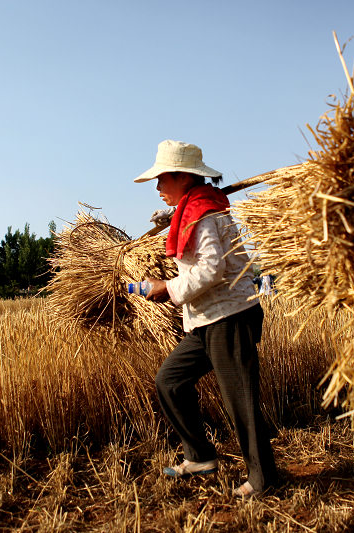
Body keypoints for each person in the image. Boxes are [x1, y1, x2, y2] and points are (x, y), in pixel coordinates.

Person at [134, 139, 278, 498]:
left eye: (162, 179)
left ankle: (264, 479)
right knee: (170, 381)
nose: (157, 187)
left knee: (240, 401)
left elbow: (211, 268)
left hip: (229, 316)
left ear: (183, 177)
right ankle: (199, 456)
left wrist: (166, 287)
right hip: (203, 320)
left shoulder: (203, 211)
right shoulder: (195, 208)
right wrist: (172, 218)